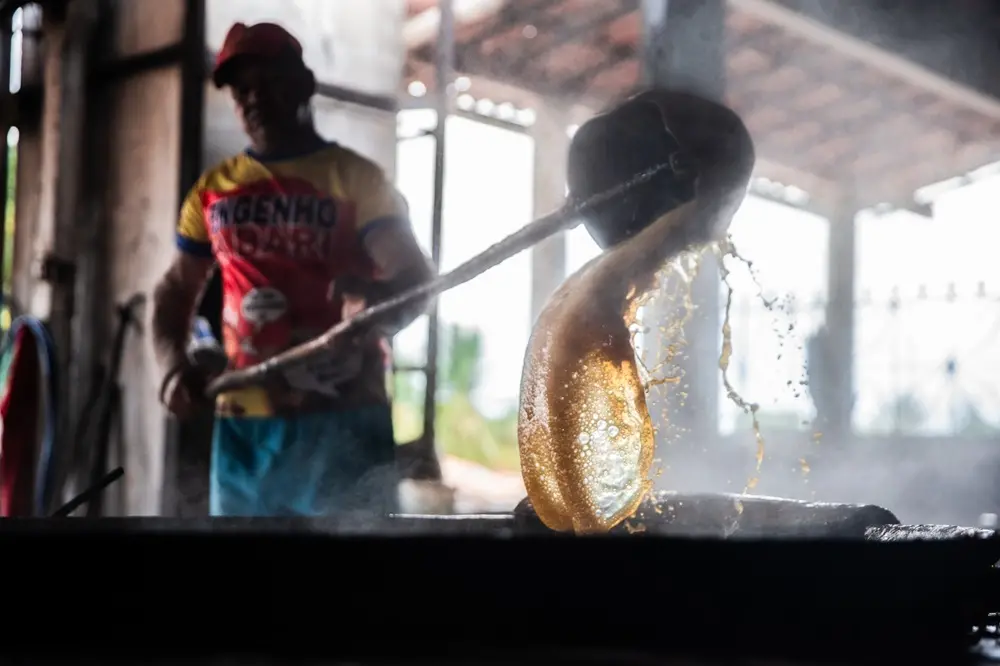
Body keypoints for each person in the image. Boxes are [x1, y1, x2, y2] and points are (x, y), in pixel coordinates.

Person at [151, 22, 435, 517]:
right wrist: (172, 366)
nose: (254, 98)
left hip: (343, 423)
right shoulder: (213, 191)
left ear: (304, 85)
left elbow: (415, 278)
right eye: (242, 90)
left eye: (269, 82)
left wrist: (376, 302)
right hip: (245, 428)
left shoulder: (358, 180)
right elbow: (175, 291)